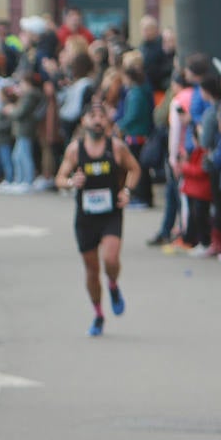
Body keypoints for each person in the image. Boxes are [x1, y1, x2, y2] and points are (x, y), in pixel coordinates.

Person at [55, 102, 140, 337]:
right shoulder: (75, 150)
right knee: (92, 270)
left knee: (110, 258)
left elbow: (134, 169)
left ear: (108, 122)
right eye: (92, 116)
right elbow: (59, 178)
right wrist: (72, 182)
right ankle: (99, 314)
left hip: (111, 213)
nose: (97, 120)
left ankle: (113, 285)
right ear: (83, 121)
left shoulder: (117, 147)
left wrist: (127, 192)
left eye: (102, 116)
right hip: (86, 217)